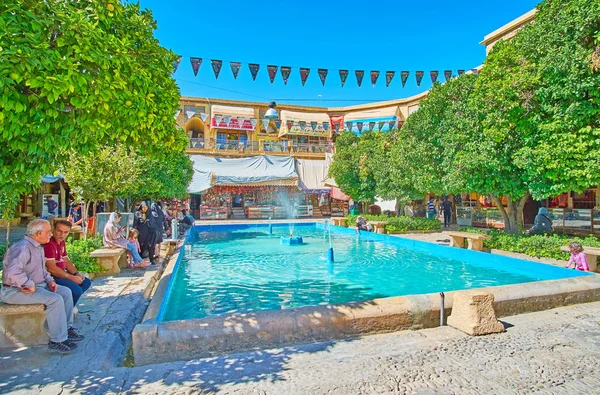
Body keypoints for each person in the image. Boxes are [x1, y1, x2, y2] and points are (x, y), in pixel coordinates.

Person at [1, 219, 84, 353]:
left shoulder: (38, 247)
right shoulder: (22, 248)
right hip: (15, 290)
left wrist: (50, 281)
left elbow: (43, 270)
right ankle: (57, 340)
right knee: (55, 300)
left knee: (66, 292)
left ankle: (67, 329)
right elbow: (12, 272)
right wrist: (28, 283)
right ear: (39, 233)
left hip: (37, 286)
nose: (51, 234)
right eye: (48, 232)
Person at [43, 220, 92, 305]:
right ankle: (65, 311)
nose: (62, 235)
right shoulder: (49, 244)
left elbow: (66, 260)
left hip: (61, 273)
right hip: (52, 276)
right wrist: (71, 277)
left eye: (65, 232)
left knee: (86, 282)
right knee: (76, 291)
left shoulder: (61, 242)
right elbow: (51, 268)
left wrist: (76, 273)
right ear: (53, 230)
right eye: (59, 231)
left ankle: (67, 307)